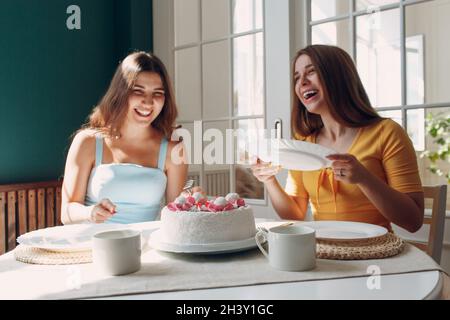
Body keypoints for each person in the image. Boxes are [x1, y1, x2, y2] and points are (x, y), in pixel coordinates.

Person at [251, 45, 424, 232]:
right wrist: (269, 180)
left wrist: (364, 178)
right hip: (323, 250)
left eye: (311, 72)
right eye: (296, 78)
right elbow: (295, 215)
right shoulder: (303, 142)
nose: (301, 83)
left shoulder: (388, 133)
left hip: (374, 252)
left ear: (338, 77)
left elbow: (413, 221)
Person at [61, 51, 188, 224]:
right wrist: (89, 212)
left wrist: (192, 203)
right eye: (138, 91)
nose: (148, 102)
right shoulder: (87, 142)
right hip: (93, 245)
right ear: (120, 93)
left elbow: (178, 218)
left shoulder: (174, 149)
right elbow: (67, 211)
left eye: (157, 93)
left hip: (146, 247)